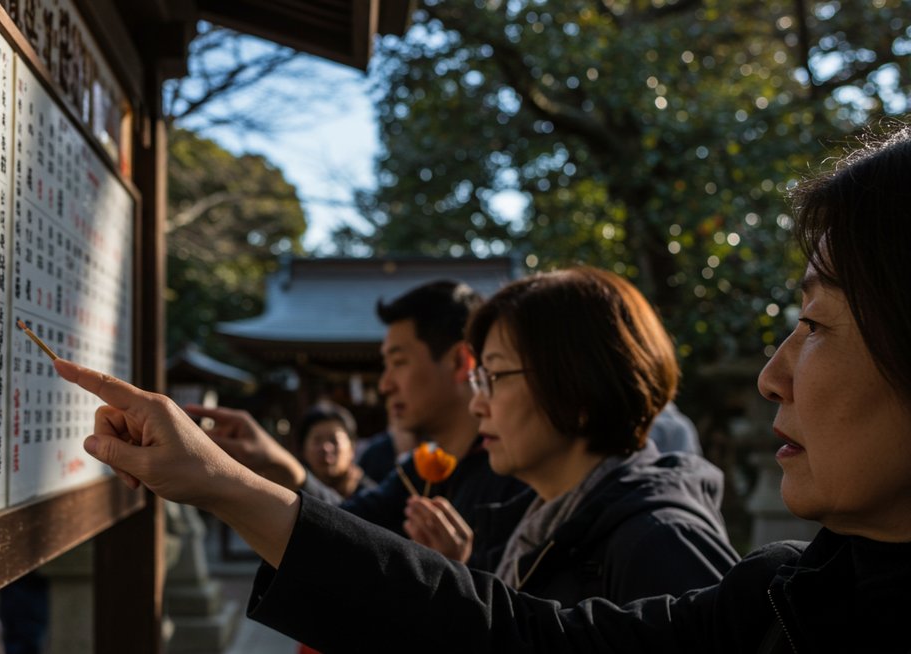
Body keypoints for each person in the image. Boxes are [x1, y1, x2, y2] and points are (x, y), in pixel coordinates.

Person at [57, 126, 911, 652]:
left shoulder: (660, 541)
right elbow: (513, 633)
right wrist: (224, 479)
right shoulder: (784, 596)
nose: (772, 373)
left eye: (818, 323)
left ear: (574, 392)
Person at [403, 268, 737, 606]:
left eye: (496, 376)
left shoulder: (660, 544)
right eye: (480, 380)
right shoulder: (534, 527)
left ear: (578, 386)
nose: (477, 405)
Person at [186, 280, 523, 536]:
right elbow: (351, 529)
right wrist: (281, 466)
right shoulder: (424, 469)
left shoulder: (516, 475)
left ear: (460, 361)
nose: (385, 384)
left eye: (399, 362)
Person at [295, 402, 374, 500]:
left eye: (334, 440)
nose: (326, 448)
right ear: (303, 449)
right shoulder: (294, 496)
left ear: (352, 448)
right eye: (317, 440)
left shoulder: (371, 496)